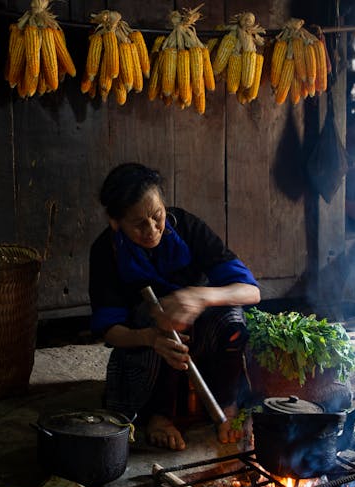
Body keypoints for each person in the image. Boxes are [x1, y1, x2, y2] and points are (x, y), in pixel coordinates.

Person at [88, 163, 261, 451]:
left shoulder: (187, 227)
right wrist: (150, 338)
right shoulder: (106, 251)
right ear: (115, 222)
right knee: (160, 318)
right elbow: (110, 330)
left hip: (202, 341)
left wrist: (200, 296)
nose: (153, 229)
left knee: (232, 319)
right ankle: (159, 415)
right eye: (139, 223)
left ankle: (227, 405)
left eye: (157, 216)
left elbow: (250, 291)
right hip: (147, 349)